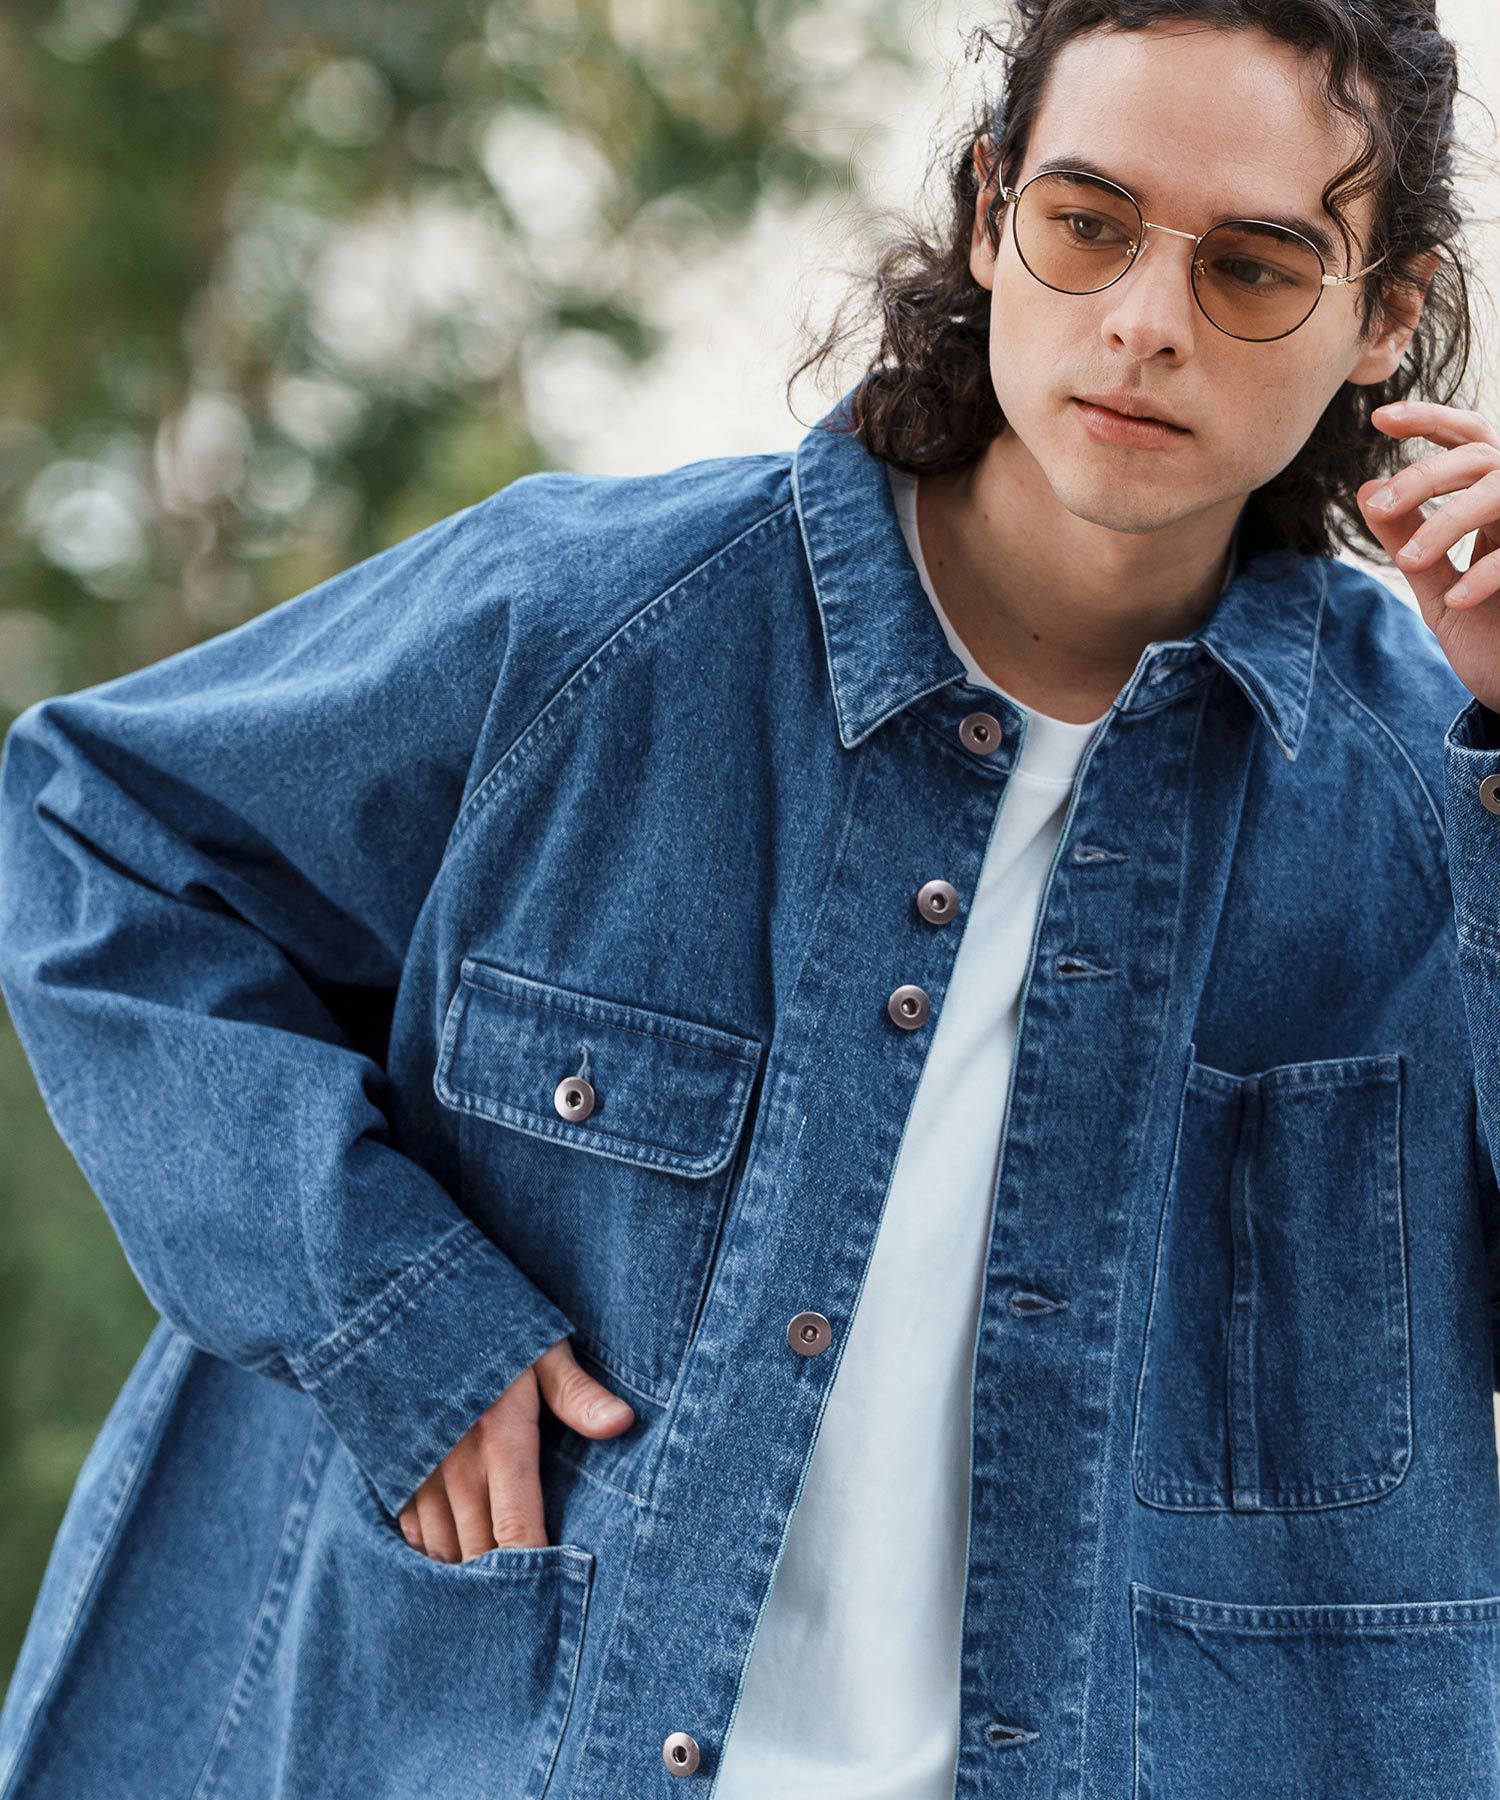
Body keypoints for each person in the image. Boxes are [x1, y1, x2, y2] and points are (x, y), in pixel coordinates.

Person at [2, 0, 1500, 1793]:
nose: (1145, 319)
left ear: (1384, 315)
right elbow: (93, 832)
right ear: (990, 211)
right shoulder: (599, 631)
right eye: (1088, 222)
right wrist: (392, 1310)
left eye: (1253, 266)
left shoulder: (1439, 789)